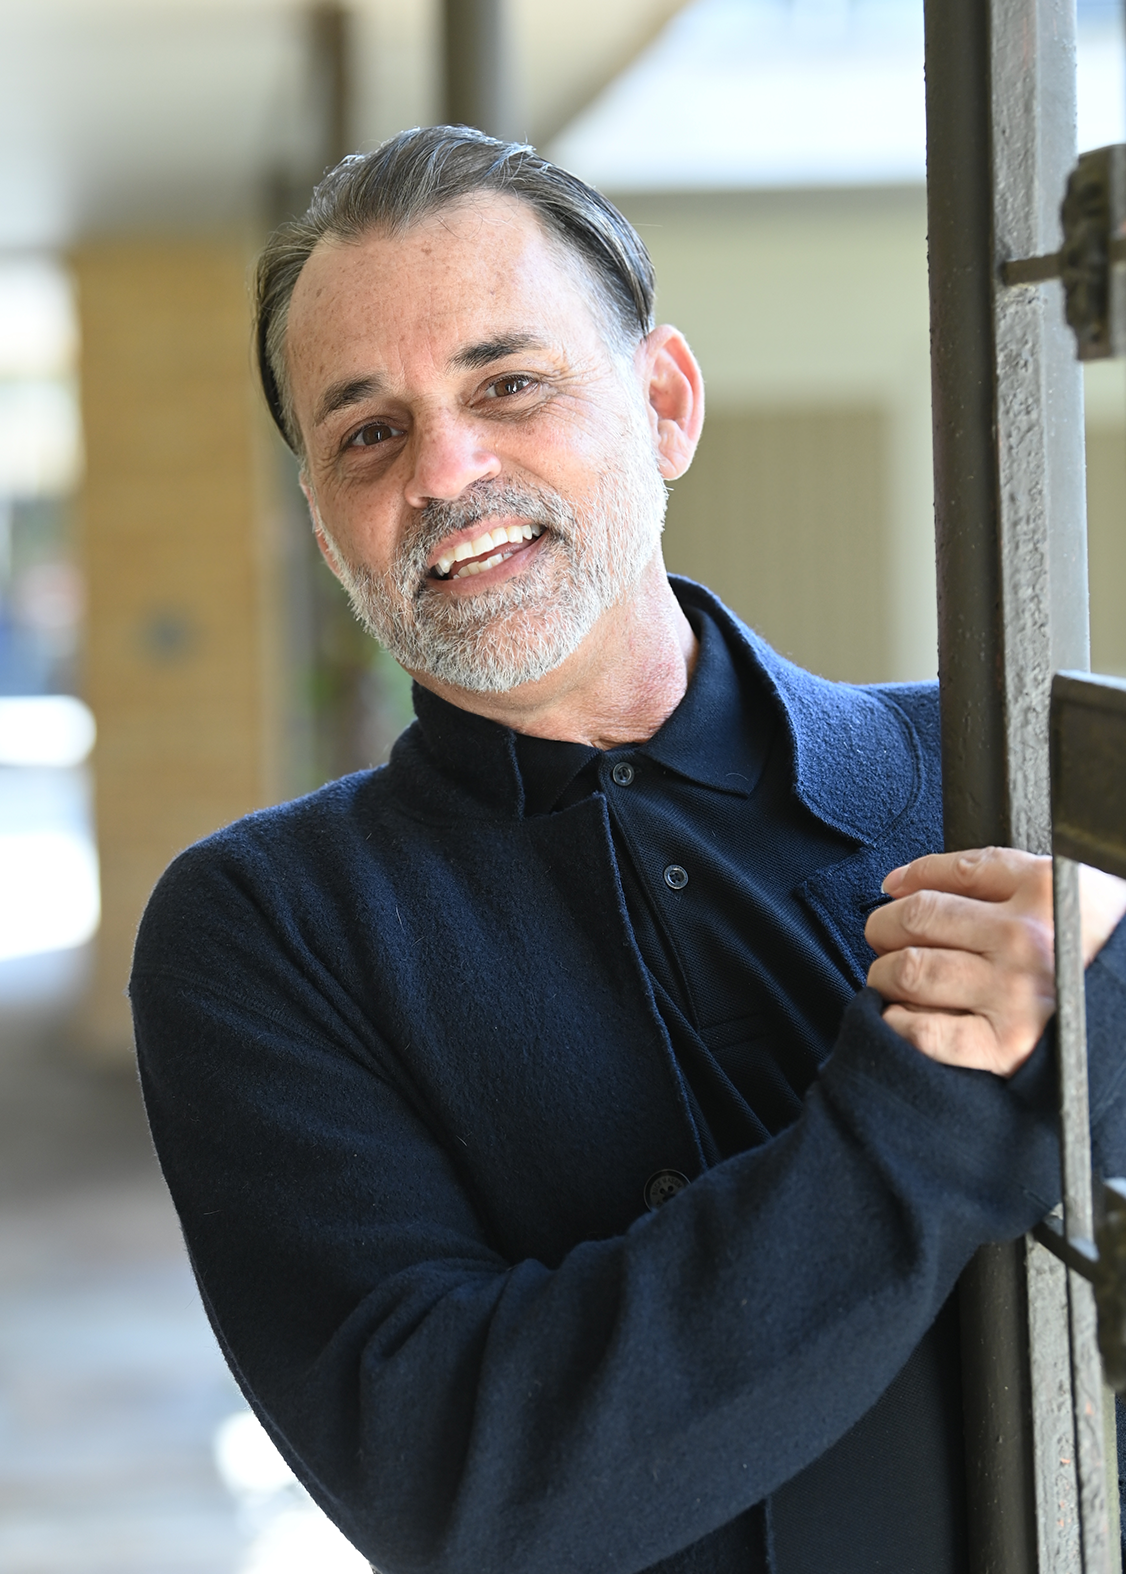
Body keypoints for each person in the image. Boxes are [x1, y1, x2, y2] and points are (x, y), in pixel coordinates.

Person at [129, 126, 1126, 1574]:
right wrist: (933, 1112)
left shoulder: (1013, 788)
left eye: (508, 383)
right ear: (323, 521)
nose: (445, 469)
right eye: (367, 431)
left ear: (663, 402)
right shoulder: (266, 930)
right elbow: (466, 1486)